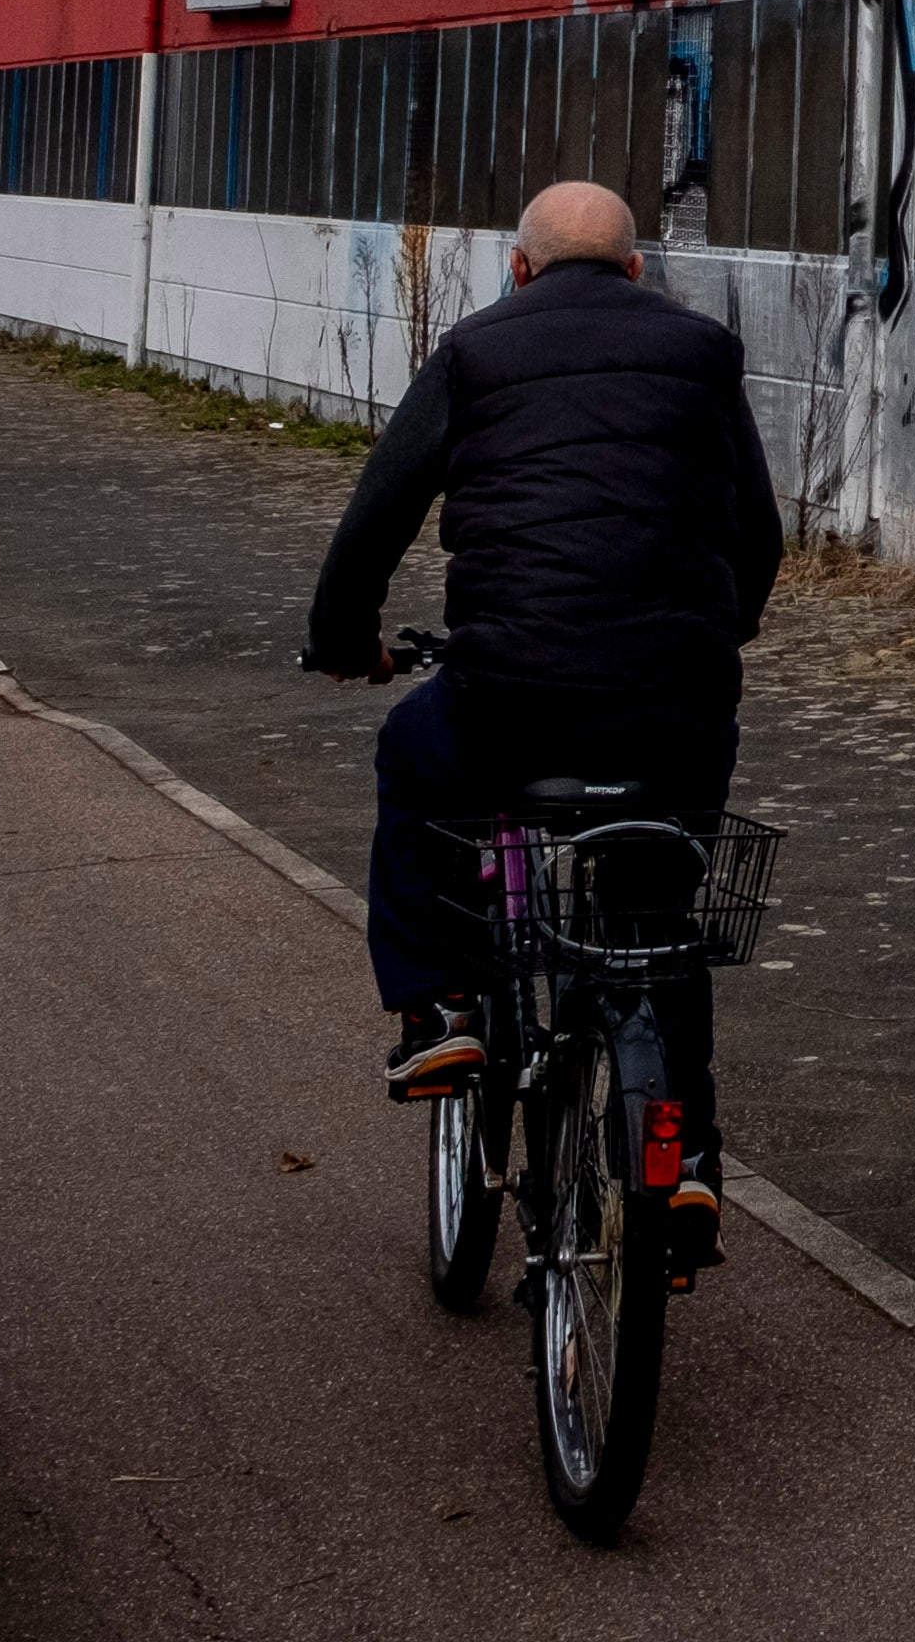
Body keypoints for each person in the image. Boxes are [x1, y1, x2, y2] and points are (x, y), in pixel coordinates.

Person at [306, 179, 781, 1261]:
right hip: (674, 705)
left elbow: (378, 510)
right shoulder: (704, 350)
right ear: (634, 270)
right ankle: (693, 1159)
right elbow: (756, 531)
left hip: (510, 695)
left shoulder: (475, 348)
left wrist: (345, 639)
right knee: (659, 914)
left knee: (415, 755)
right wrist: (717, 633)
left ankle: (440, 1012)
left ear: (517, 268)